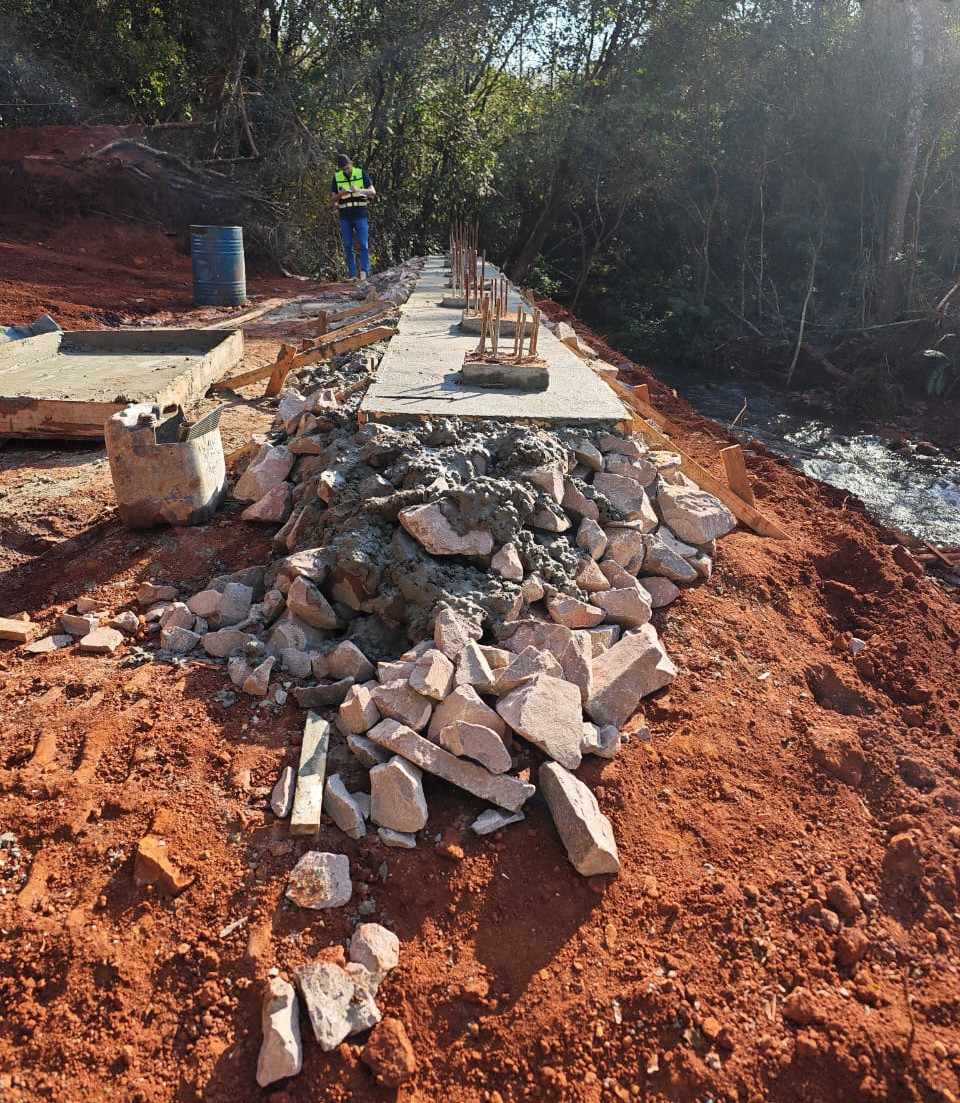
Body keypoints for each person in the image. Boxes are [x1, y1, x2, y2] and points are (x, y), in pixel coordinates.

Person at [330, 153, 375, 281]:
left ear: (351, 163)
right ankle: (352, 274)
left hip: (360, 214)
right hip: (345, 216)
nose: (346, 171)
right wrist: (341, 193)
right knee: (348, 245)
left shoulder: (361, 173)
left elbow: (373, 192)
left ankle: (365, 273)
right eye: (343, 169)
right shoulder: (337, 177)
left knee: (363, 244)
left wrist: (359, 190)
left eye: (348, 167)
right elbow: (333, 198)